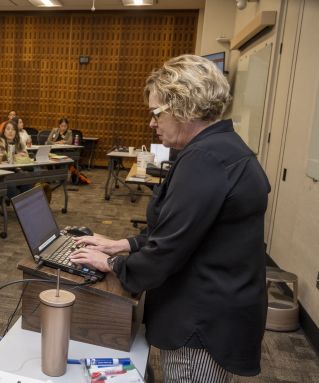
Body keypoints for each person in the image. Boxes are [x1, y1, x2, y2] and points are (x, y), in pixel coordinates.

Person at [70, 54, 270, 382]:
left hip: (202, 320)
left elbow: (168, 250)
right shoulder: (223, 147)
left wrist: (111, 264)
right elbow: (187, 230)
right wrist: (122, 244)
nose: (152, 123)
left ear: (183, 107)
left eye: (156, 113)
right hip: (220, 307)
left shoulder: (204, 160)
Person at [0, 120, 32, 198]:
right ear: (4, 131)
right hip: (0, 172)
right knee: (12, 183)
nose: (11, 131)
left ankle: (25, 204)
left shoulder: (18, 142)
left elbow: (25, 156)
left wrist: (19, 157)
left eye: (13, 129)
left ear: (16, 132)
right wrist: (16, 156)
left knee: (27, 178)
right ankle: (17, 205)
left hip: (15, 170)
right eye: (8, 129)